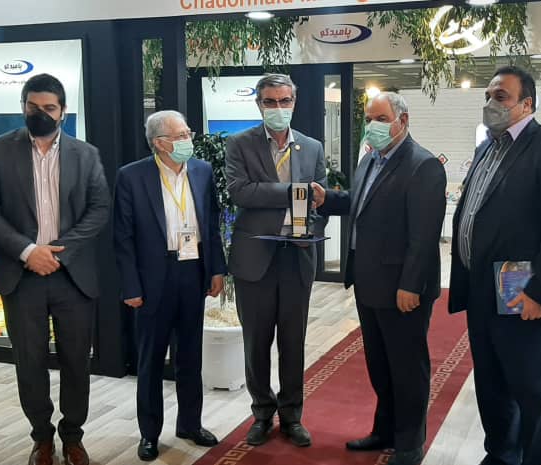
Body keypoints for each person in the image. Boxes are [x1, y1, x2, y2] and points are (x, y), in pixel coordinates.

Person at [448, 66, 541, 465]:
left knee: (533, 395)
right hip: (482, 292)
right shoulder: (486, 148)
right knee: (491, 388)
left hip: (526, 296)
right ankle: (501, 456)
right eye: (488, 96)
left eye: (501, 96)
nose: (491, 103)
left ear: (527, 104)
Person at [0, 73, 110, 465]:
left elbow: (99, 209)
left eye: (49, 108)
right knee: (29, 362)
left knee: (76, 361)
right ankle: (42, 437)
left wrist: (58, 253)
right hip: (22, 276)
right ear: (23, 107)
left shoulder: (86, 154)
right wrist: (28, 250)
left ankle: (73, 436)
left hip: (72, 275)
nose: (41, 113)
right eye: (33, 107)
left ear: (63, 111)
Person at [316, 92, 446, 465]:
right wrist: (329, 198)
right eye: (369, 118)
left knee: (407, 368)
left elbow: (424, 236)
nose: (372, 125)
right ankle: (384, 430)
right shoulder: (370, 159)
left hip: (402, 287)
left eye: (381, 118)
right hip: (368, 281)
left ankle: (409, 443)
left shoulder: (422, 165)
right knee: (380, 364)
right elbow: (362, 201)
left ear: (403, 121)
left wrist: (411, 285)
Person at [113, 110, 227, 461]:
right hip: (152, 277)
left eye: (187, 133)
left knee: (190, 355)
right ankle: (149, 434)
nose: (188, 140)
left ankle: (190, 424)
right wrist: (130, 286)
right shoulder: (132, 176)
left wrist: (217, 269)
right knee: (150, 359)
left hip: (193, 270)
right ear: (159, 143)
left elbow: (212, 224)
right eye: (180, 135)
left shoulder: (201, 170)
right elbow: (122, 237)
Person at [224, 73, 327, 447]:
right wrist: (293, 192)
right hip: (255, 259)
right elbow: (240, 192)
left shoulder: (312, 147)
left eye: (285, 101)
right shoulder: (239, 144)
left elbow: (320, 199)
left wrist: (313, 220)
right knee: (256, 342)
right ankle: (262, 414)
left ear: (294, 103)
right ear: (259, 104)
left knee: (293, 342)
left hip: (297, 257)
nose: (278, 108)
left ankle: (292, 415)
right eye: (270, 101)